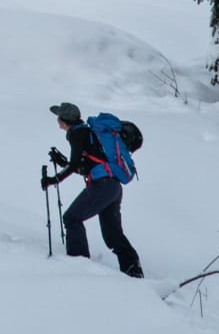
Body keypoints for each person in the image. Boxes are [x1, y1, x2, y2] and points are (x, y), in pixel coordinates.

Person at [41, 102, 143, 277]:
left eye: (58, 116)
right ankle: (133, 270)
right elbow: (86, 165)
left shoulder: (77, 133)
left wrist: (54, 179)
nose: (57, 120)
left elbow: (75, 165)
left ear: (64, 120)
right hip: (113, 187)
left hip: (102, 186)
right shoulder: (88, 133)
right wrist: (63, 162)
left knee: (71, 218)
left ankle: (78, 265)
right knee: (112, 234)